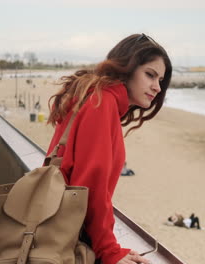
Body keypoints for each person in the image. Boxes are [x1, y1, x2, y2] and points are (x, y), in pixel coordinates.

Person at [46, 33, 172, 264]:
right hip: (65, 235)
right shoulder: (102, 102)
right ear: (127, 68)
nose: (156, 87)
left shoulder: (93, 95)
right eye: (150, 75)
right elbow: (91, 187)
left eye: (161, 80)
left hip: (56, 222)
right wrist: (109, 251)